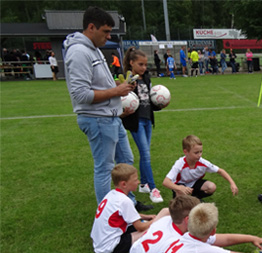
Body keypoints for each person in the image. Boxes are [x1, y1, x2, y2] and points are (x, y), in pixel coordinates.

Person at [64, 6, 151, 211]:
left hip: (111, 117)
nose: (109, 36)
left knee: (126, 161)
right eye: (105, 31)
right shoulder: (78, 52)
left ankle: (127, 203)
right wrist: (116, 92)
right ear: (91, 27)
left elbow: (101, 86)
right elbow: (81, 95)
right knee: (105, 168)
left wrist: (119, 104)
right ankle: (108, 215)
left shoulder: (93, 49)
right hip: (97, 119)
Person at [130, 195, 262, 253]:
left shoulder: (166, 220)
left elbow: (218, 238)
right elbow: (215, 246)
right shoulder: (181, 242)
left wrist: (250, 238)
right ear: (188, 219)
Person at [91, 164, 164, 253]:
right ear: (124, 184)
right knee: (151, 229)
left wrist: (147, 216)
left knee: (144, 223)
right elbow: (140, 227)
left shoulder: (112, 194)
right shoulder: (124, 201)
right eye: (135, 180)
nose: (138, 182)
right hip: (110, 246)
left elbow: (126, 214)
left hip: (99, 241)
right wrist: (156, 220)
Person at [121, 47, 164, 204]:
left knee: (145, 153)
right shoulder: (128, 80)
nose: (144, 68)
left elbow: (149, 101)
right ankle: (153, 189)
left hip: (147, 119)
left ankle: (144, 184)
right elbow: (124, 101)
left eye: (146, 65)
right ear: (131, 63)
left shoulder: (146, 77)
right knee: (146, 155)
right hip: (136, 121)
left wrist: (159, 105)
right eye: (141, 64)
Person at [162, 135, 238, 199]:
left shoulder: (203, 162)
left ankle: (195, 198)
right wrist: (180, 188)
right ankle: (181, 202)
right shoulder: (179, 164)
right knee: (182, 195)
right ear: (185, 152)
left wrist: (232, 183)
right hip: (180, 184)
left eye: (201, 151)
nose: (199, 155)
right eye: (196, 152)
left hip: (194, 183)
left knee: (211, 187)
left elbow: (220, 171)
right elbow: (166, 182)